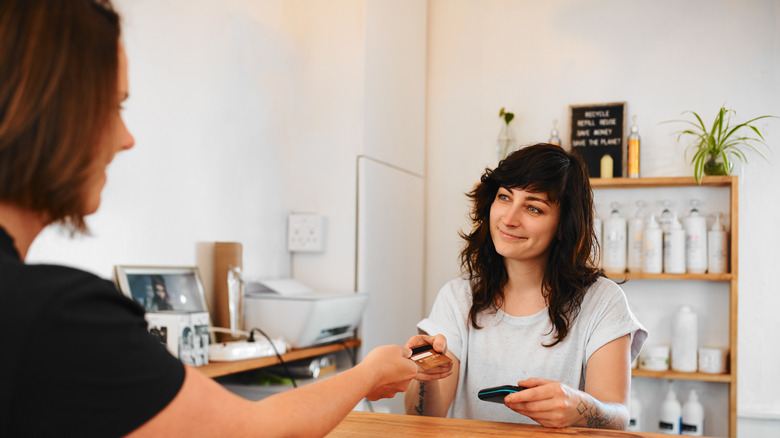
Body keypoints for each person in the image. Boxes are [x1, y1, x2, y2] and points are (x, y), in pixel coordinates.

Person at [0, 1, 417, 436]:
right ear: (49, 108)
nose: (127, 139)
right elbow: (255, 430)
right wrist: (368, 373)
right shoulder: (56, 316)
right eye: (115, 106)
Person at [404, 143, 647, 430]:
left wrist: (579, 408)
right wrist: (424, 370)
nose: (509, 219)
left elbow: (618, 418)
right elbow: (422, 421)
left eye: (533, 207)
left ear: (564, 224)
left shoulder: (603, 301)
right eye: (504, 197)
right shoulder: (458, 296)